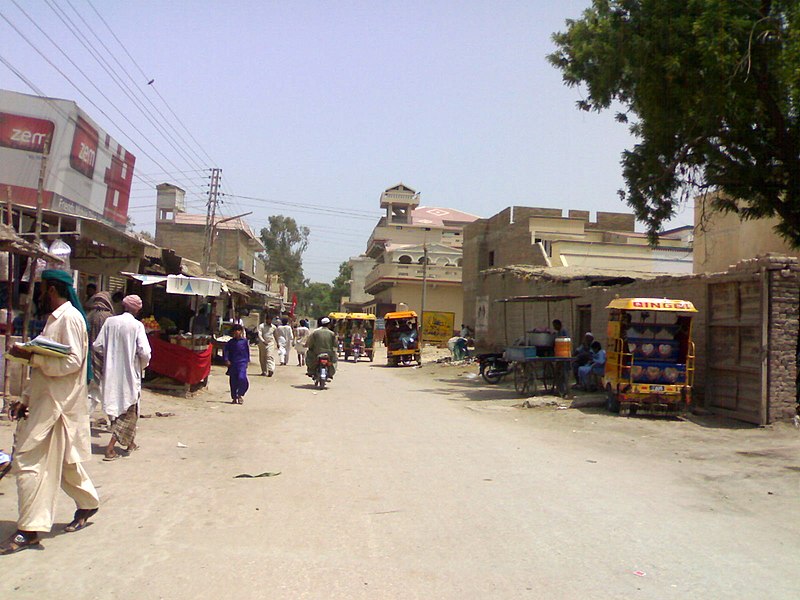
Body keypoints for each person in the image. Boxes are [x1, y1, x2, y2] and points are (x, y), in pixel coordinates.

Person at [1, 269, 100, 555]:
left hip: (57, 407)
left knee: (28, 464)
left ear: (53, 290)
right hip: (47, 402)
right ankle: (89, 504)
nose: (40, 295)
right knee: (65, 463)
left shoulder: (69, 319)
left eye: (42, 289)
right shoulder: (55, 319)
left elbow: (71, 362)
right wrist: (26, 398)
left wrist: (31, 356)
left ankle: (29, 530)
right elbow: (47, 363)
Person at [93, 294, 152, 461]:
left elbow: (97, 345)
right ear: (137, 309)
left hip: (111, 374)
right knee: (129, 412)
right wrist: (141, 364)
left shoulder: (110, 322)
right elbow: (145, 352)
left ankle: (130, 443)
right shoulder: (137, 326)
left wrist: (111, 355)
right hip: (130, 375)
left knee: (118, 408)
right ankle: (110, 448)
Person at [86, 292, 115, 410]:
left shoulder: (89, 316)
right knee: (105, 391)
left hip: (89, 356)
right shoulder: (110, 318)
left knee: (92, 389)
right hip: (105, 357)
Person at [223, 324, 249, 404]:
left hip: (242, 363)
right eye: (236, 331)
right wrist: (226, 360)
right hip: (233, 363)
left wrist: (247, 361)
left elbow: (247, 352)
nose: (237, 332)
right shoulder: (230, 343)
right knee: (233, 381)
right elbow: (226, 352)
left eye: (239, 330)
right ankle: (234, 397)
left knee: (242, 378)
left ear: (241, 331)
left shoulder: (244, 341)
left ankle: (240, 394)